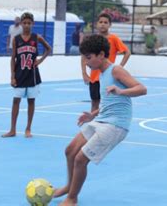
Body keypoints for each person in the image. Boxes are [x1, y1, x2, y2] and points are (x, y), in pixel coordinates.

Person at [53, 34, 147, 205]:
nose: (86, 62)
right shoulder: (102, 74)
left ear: (101, 55)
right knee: (70, 150)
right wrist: (92, 114)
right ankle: (69, 186)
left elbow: (142, 89)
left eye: (88, 58)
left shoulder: (116, 70)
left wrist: (121, 91)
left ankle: (72, 198)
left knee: (81, 159)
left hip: (116, 125)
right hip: (102, 119)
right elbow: (107, 102)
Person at [2, 12, 51, 138]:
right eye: (24, 23)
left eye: (29, 23)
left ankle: (28, 129)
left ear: (33, 24)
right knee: (16, 101)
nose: (27, 25)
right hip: (19, 74)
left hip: (32, 75)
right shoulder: (16, 39)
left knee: (31, 101)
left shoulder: (36, 37)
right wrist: (12, 76)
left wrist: (40, 60)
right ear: (21, 24)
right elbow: (13, 58)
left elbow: (48, 49)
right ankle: (12, 129)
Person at [81, 13, 131, 114]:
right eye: (100, 22)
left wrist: (120, 66)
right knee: (94, 102)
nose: (103, 24)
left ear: (110, 25)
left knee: (107, 103)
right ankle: (93, 124)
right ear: (96, 24)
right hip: (94, 78)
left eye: (105, 22)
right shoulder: (92, 39)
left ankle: (106, 122)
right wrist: (84, 73)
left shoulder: (114, 39)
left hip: (107, 77)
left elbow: (127, 52)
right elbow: (84, 56)